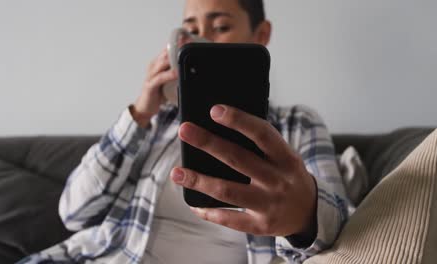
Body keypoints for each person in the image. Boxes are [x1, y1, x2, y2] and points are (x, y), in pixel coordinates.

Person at [20, 0, 349, 263]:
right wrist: (139, 114)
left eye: (220, 27)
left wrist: (305, 217)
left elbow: (340, 223)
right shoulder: (155, 123)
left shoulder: (297, 126)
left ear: (260, 34)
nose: (202, 39)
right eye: (190, 30)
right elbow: (73, 213)